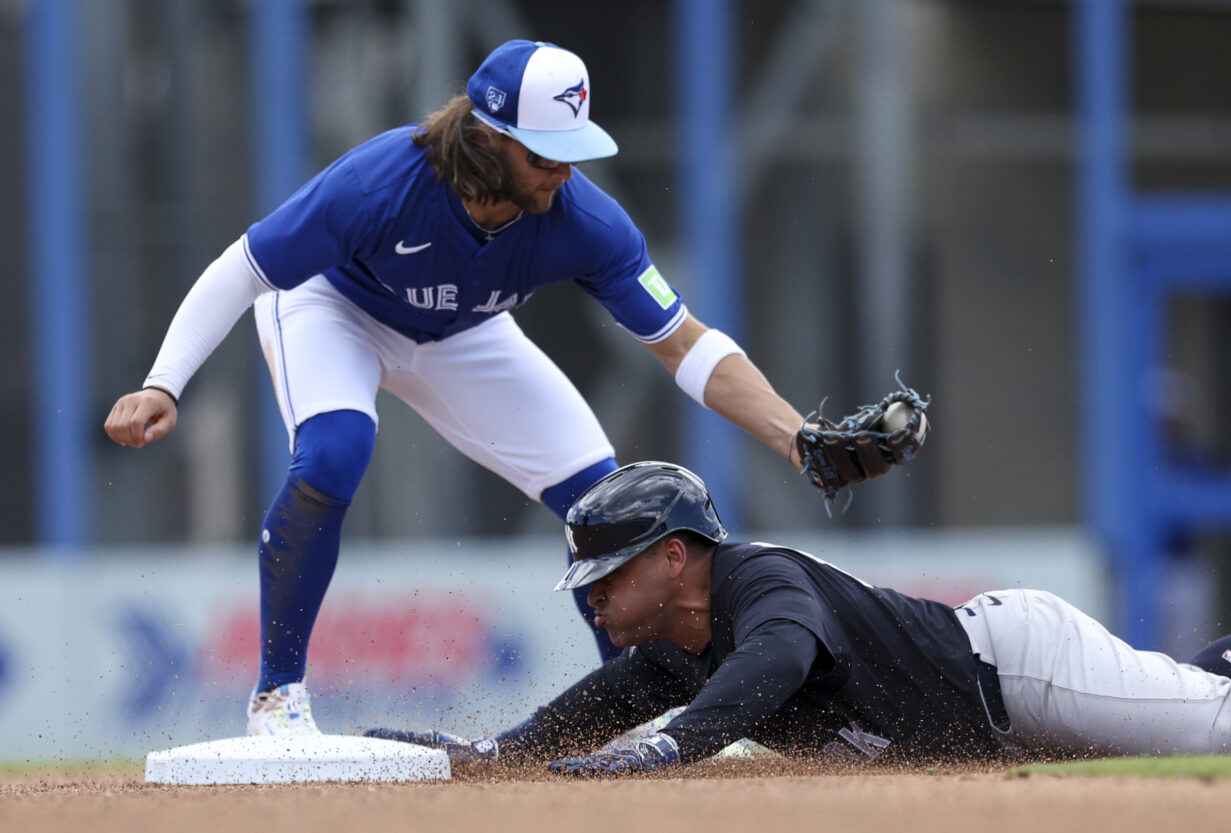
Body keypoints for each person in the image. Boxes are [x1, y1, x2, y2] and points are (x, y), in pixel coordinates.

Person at [102, 40, 806, 738]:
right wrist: (164, 383)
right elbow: (241, 270)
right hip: (333, 307)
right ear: (487, 137)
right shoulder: (378, 183)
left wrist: (796, 435)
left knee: (603, 502)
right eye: (544, 153)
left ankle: (634, 718)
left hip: (464, 331)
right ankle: (276, 697)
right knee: (335, 451)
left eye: (573, 151)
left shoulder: (583, 220)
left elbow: (684, 343)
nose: (563, 171)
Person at [365, 460, 1231, 775]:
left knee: (1225, 731)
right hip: (993, 731)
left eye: (610, 571)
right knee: (1190, 706)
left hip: (1016, 670)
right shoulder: (678, 645)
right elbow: (596, 707)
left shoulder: (761, 580)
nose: (592, 593)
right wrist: (495, 754)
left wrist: (668, 748)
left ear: (673, 557)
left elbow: (781, 657)